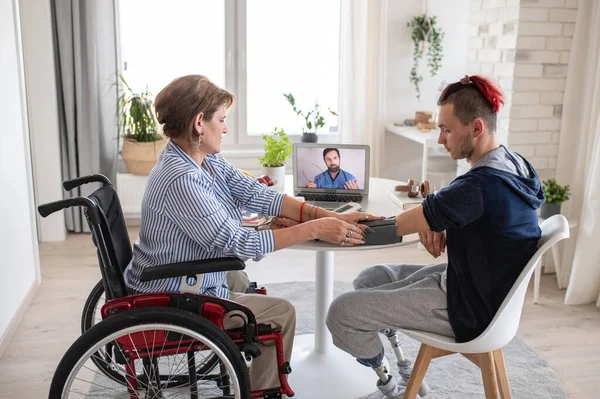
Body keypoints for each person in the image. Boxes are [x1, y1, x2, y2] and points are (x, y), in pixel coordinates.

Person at [123, 75, 377, 394]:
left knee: (244, 284)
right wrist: (311, 229)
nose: (226, 128)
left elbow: (256, 193)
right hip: (173, 295)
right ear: (200, 122)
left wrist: (326, 215)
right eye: (222, 119)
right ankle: (263, 391)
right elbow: (240, 243)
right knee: (282, 312)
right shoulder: (182, 179)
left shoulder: (203, 160)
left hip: (175, 276)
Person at [326, 75, 545, 398]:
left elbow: (392, 227)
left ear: (476, 128)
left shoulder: (477, 187)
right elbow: (461, 206)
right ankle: (402, 363)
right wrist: (437, 216)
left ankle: (389, 381)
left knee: (341, 313)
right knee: (371, 277)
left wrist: (323, 227)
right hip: (478, 285)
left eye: (446, 129)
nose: (441, 139)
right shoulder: (515, 165)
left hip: (467, 307)